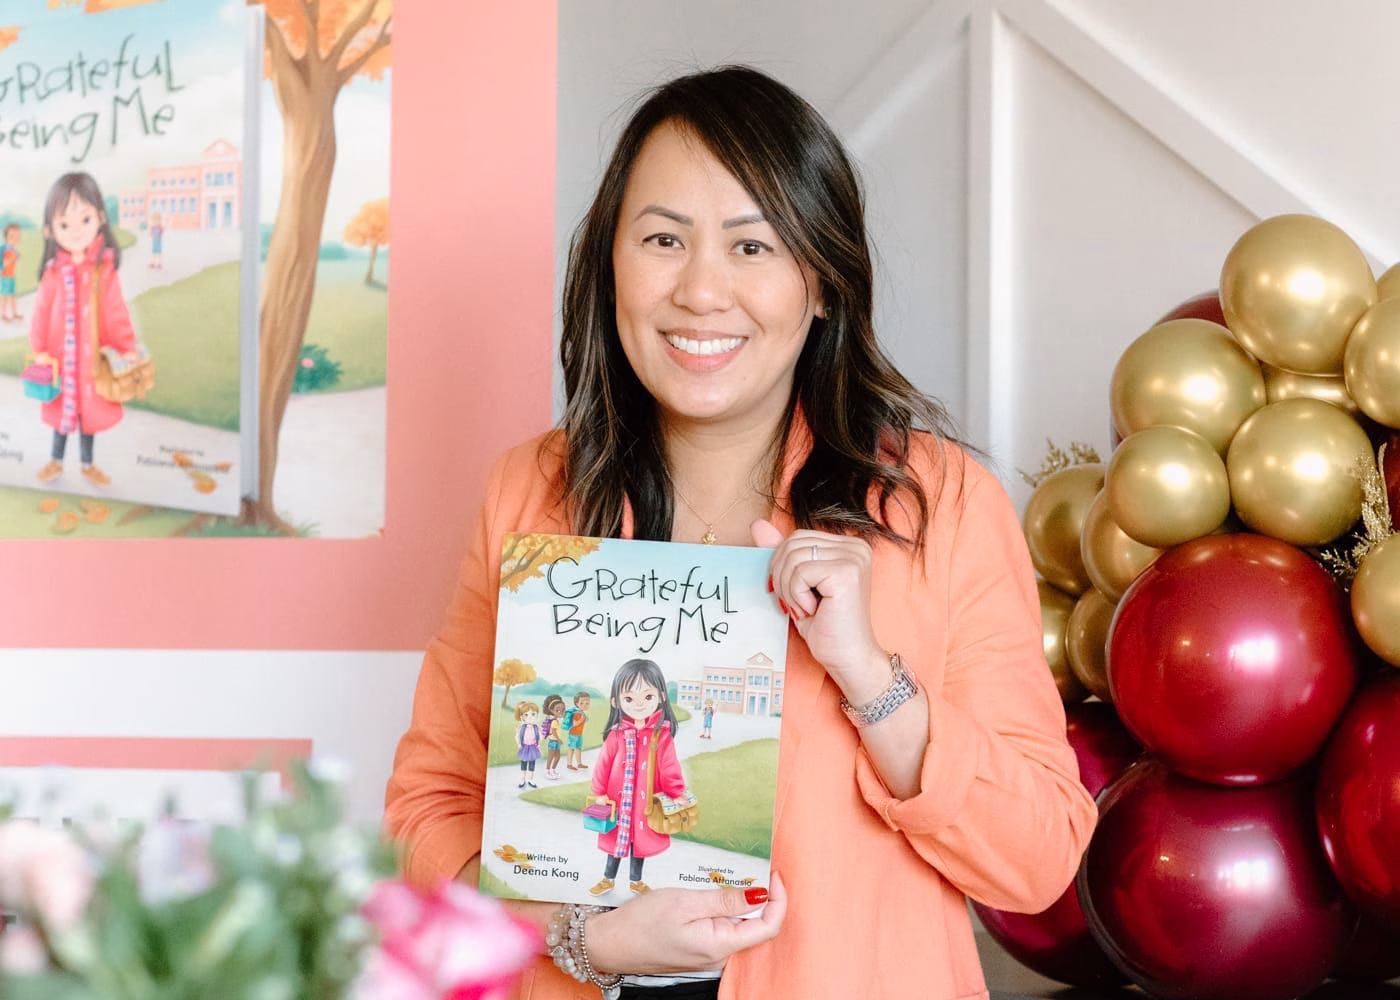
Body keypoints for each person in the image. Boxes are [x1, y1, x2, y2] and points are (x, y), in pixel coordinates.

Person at [384, 65, 1097, 1000]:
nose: (702, 291)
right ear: (611, 264)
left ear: (824, 283)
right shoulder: (531, 492)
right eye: (663, 239)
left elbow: (1038, 862)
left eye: (752, 247)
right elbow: (426, 814)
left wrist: (872, 679)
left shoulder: (938, 503)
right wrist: (581, 938)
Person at [29, 172, 138, 487]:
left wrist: (125, 346)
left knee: (88, 415)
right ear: (50, 230)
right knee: (62, 412)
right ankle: (55, 461)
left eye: (85, 219)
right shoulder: (52, 272)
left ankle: (88, 464)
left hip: (90, 362)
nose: (75, 231)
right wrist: (38, 350)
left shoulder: (103, 270)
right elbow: (40, 311)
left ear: (100, 218)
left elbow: (115, 310)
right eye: (65, 224)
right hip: (60, 361)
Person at [588, 658, 688, 899]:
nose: (639, 705)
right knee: (615, 839)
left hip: (645, 804)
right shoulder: (617, 735)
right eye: (630, 699)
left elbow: (669, 766)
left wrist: (677, 792)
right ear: (616, 701)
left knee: (640, 843)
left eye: (647, 697)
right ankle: (607, 878)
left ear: (661, 696)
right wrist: (599, 792)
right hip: (617, 802)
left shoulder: (661, 736)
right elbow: (603, 764)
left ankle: (636, 881)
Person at [542, 693, 567, 780]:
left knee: (557, 756)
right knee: (551, 756)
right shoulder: (554, 721)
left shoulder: (557, 720)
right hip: (553, 741)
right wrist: (558, 739)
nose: (561, 712)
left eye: (563, 710)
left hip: (556, 741)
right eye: (557, 710)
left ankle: (553, 770)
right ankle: (547, 771)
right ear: (552, 710)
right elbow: (553, 731)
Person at [1, 223, 21, 321]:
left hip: (12, 275)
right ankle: (2, 314)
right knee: (4, 295)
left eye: (18, 237)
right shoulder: (3, 248)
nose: (15, 239)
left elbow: (17, 259)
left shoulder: (15, 250)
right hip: (5, 276)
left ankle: (14, 313)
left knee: (12, 294)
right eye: (12, 236)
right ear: (6, 237)